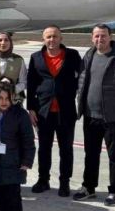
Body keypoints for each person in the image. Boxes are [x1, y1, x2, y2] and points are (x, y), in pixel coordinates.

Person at [73, 24, 115, 207]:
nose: (99, 39)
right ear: (92, 38)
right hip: (90, 115)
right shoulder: (89, 56)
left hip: (113, 117)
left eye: (103, 36)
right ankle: (89, 187)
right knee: (90, 154)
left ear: (110, 37)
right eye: (96, 36)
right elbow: (82, 82)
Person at [27, 25, 82, 197]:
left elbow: (82, 77)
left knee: (66, 149)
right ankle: (43, 180)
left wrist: (76, 95)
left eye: (55, 36)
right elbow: (31, 84)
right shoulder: (36, 57)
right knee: (44, 148)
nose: (52, 39)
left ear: (61, 38)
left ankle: (64, 182)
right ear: (43, 39)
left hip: (66, 110)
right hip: (43, 111)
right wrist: (31, 108)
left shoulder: (72, 55)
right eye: (48, 37)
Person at [0, 82, 36, 211]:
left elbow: (28, 140)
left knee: (13, 198)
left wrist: (27, 161)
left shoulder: (20, 114)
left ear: (12, 97)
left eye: (7, 98)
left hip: (14, 164)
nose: (4, 102)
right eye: (0, 98)